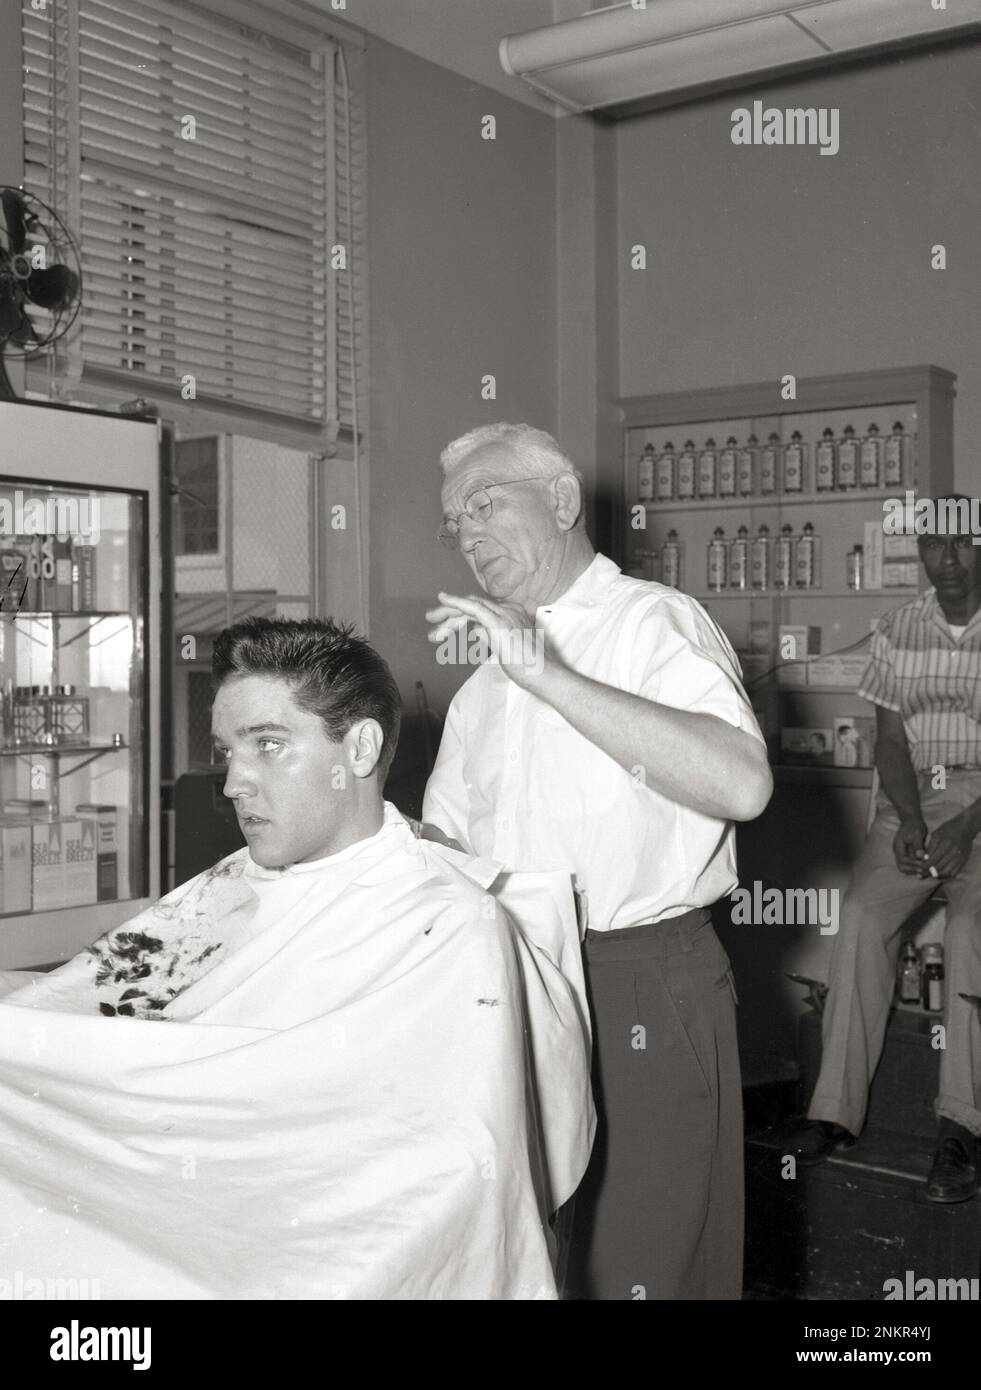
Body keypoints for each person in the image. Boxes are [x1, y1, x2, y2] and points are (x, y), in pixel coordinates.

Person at [0, 617, 591, 1299]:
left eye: (269, 746)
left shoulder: (447, 925)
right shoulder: (229, 888)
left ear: (360, 749)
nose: (232, 784)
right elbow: (83, 1004)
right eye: (227, 751)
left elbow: (459, 1178)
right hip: (180, 1209)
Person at [421, 423, 773, 1300]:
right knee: (544, 1257)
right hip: (517, 978)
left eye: (484, 504)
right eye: (451, 522)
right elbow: (448, 858)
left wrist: (551, 679)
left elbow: (740, 782)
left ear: (563, 501)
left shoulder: (651, 622)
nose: (465, 534)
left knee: (644, 1259)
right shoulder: (482, 687)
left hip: (642, 979)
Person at [790, 499, 981, 1201]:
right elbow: (891, 742)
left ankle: (960, 1128)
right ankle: (832, 1114)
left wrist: (966, 828)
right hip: (915, 801)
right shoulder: (898, 628)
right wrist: (904, 818)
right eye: (935, 545)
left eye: (963, 543)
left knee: (969, 931)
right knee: (862, 920)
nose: (949, 560)